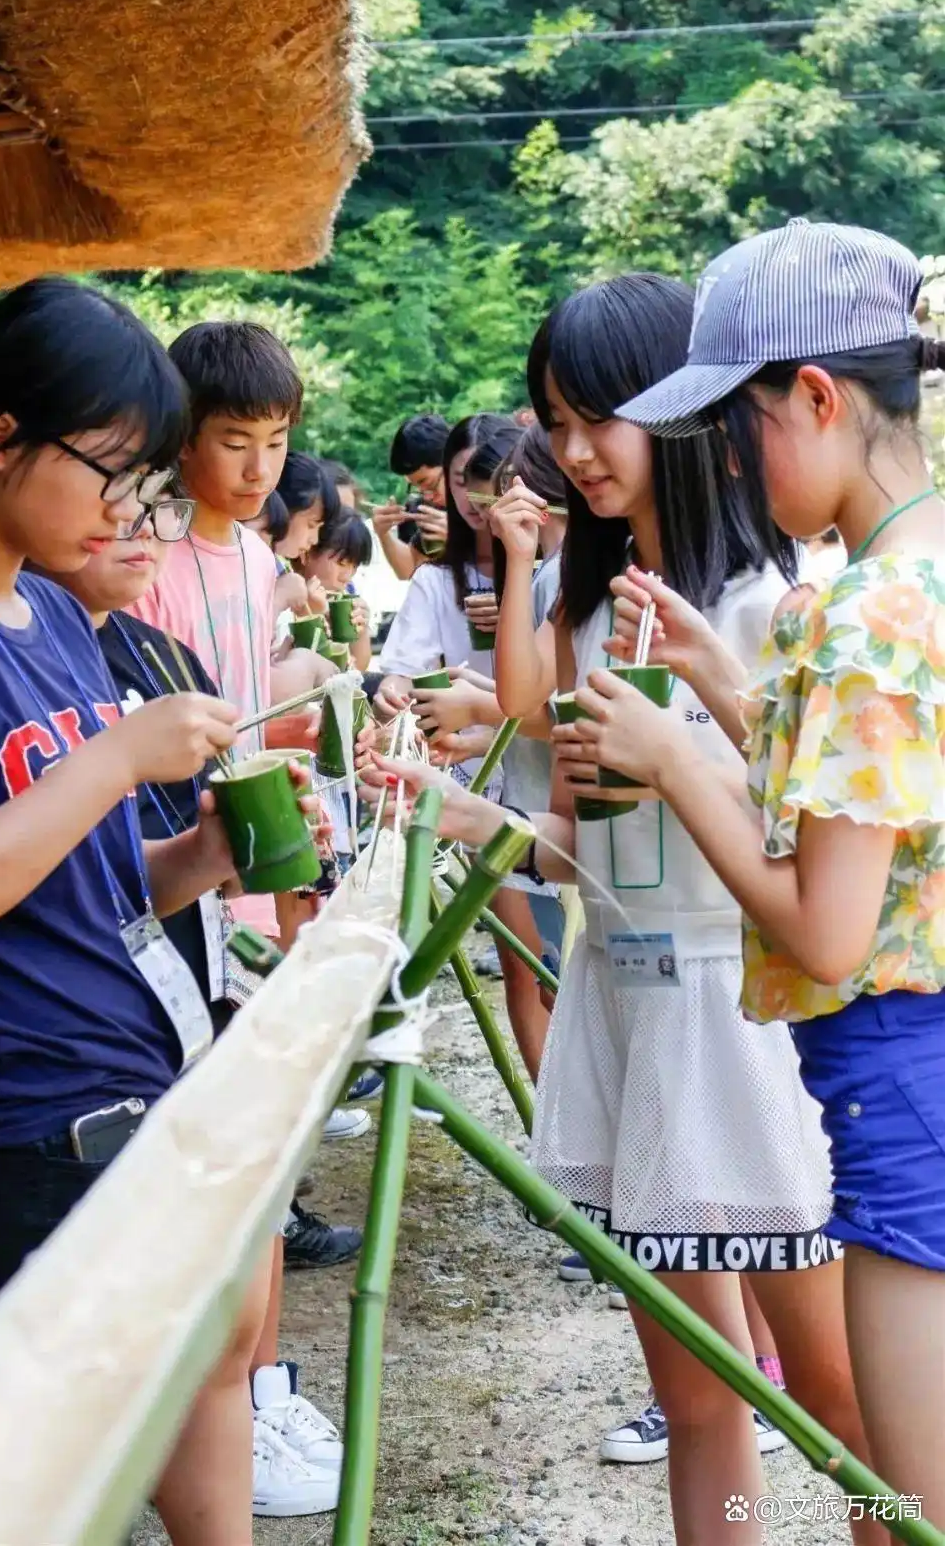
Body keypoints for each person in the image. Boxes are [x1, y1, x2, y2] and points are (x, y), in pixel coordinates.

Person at [363, 275, 882, 1546]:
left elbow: (837, 858)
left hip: (750, 1029)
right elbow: (576, 847)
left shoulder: (772, 611)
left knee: (840, 1406)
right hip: (630, 1009)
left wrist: (685, 757)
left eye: (605, 417)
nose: (578, 451)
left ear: (696, 413)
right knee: (698, 1400)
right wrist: (460, 811)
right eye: (559, 418)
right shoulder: (591, 612)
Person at [0, 278, 287, 1545]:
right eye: (109, 473)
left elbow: (93, 879)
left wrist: (203, 852)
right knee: (70, 1491)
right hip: (35, 1126)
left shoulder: (50, 608)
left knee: (214, 1383)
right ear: (1, 439)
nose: (123, 511)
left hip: (145, 1078)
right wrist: (111, 758)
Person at [582, 220, 945, 1520]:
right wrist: (720, 684)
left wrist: (676, 764)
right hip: (919, 1069)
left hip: (899, 1079)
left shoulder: (865, 616)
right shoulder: (919, 570)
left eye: (732, 429)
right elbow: (872, 805)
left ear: (814, 396)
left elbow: (832, 927)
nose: (723, 466)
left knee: (914, 1503)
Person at [128, 318, 359, 1513]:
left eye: (277, 442)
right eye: (235, 441)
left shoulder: (262, 562)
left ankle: (260, 1390)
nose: (261, 467)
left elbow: (259, 694)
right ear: (181, 439)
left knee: (267, 1139)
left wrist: (313, 706)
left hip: (256, 863)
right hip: (181, 864)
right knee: (225, 1147)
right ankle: (232, 1398)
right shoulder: (147, 557)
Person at [376, 414, 556, 1084]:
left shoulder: (557, 572)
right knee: (530, 967)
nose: (482, 504)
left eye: (494, 484)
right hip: (478, 794)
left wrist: (521, 582)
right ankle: (554, 1138)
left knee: (569, 972)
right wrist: (395, 691)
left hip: (554, 789)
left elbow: (543, 700)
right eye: (465, 486)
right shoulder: (434, 582)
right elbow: (401, 671)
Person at [372, 413, 450, 581]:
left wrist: (459, 536)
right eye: (417, 488)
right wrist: (384, 534)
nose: (427, 496)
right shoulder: (432, 510)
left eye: (430, 484)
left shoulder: (483, 497)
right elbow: (410, 570)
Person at [297, 509, 374, 672]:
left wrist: (360, 631)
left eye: (354, 566)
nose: (347, 576)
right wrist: (310, 615)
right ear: (308, 552)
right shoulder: (284, 592)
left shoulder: (344, 594)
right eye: (342, 563)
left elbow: (358, 668)